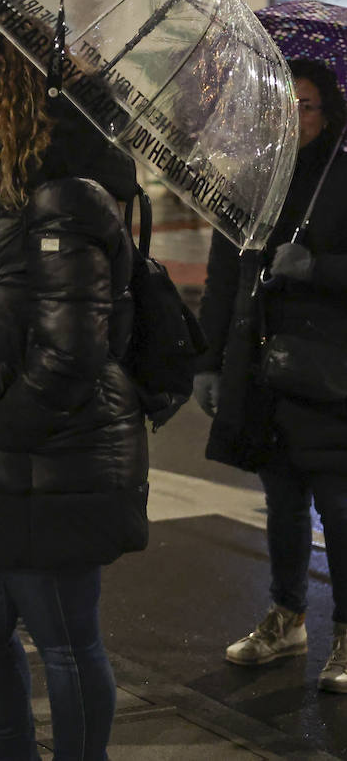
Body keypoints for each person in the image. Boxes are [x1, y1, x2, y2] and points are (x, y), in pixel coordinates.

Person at [0, 22, 147, 761]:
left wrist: (4, 431)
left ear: (4, 97)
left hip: (43, 463)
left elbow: (72, 350)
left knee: (65, 642)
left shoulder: (66, 197)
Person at [198, 58, 347, 692]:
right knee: (282, 501)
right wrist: (207, 362)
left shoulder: (342, 177)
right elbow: (222, 277)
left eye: (307, 105)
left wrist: (316, 270)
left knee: (338, 508)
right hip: (262, 369)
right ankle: (287, 617)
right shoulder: (253, 181)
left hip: (329, 373)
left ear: (329, 111)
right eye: (286, 105)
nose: (296, 117)